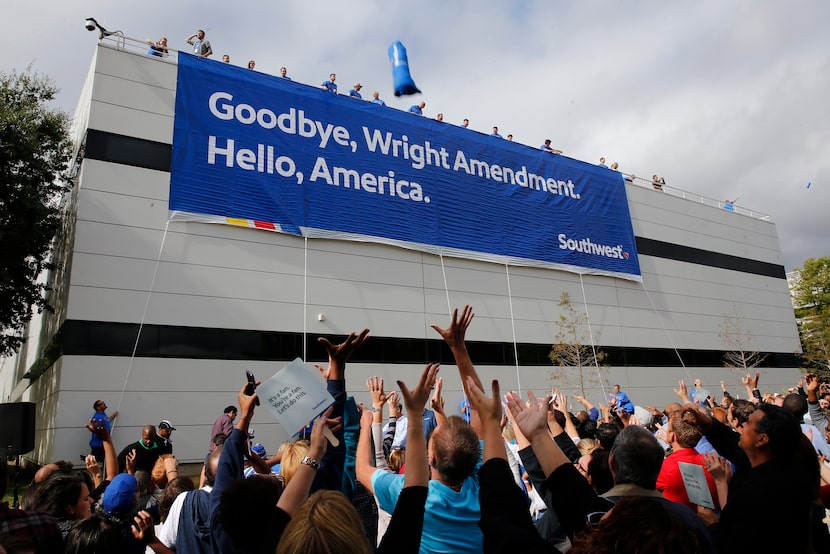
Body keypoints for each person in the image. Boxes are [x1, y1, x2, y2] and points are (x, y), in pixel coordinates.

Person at [359, 306, 485, 553]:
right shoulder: (483, 486)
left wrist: (367, 424)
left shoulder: (410, 495)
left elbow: (363, 469)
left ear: (431, 458)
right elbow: (480, 410)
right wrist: (459, 349)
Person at [684, 402, 819, 552]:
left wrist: (713, 525)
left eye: (747, 423)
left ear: (761, 439)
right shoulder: (775, 466)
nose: (742, 427)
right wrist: (709, 424)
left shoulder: (762, 491)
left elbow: (736, 544)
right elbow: (733, 444)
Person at [655, 413, 718, 510]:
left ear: (672, 436)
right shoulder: (713, 461)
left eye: (668, 430)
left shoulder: (666, 467)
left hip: (680, 522)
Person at [89, 399, 118, 471]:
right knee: (95, 464)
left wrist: (113, 416)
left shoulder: (103, 415)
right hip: (98, 445)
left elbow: (107, 420)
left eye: (103, 403)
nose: (104, 404)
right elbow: (97, 429)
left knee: (105, 463)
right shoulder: (97, 417)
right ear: (98, 408)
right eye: (102, 404)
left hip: (103, 444)